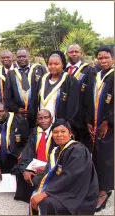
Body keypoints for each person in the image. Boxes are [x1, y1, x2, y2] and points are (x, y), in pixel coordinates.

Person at [29, 119, 98, 215]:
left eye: (63, 131)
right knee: (36, 182)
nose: (59, 135)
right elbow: (53, 172)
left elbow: (69, 176)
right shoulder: (56, 151)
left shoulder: (78, 150)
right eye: (55, 132)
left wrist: (45, 193)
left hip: (78, 193)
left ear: (70, 134)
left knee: (45, 201)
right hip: (65, 187)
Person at [85, 45, 114, 212]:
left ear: (112, 59)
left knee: (105, 158)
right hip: (94, 125)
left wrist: (108, 122)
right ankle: (95, 187)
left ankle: (103, 191)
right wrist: (89, 121)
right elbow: (89, 100)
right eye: (100, 58)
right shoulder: (95, 75)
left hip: (108, 127)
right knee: (94, 156)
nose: (103, 61)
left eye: (106, 58)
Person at [14, 109, 56, 203]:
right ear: (37, 121)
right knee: (20, 170)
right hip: (36, 164)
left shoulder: (57, 132)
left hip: (51, 165)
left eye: (46, 118)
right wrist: (25, 170)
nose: (43, 121)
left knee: (37, 180)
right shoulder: (35, 132)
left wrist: (47, 167)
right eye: (40, 118)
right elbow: (27, 152)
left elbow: (59, 155)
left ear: (51, 119)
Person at [5, 48, 47, 128]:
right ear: (15, 58)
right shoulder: (11, 74)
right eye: (19, 57)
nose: (21, 59)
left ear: (29, 57)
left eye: (24, 56)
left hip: (38, 112)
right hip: (20, 114)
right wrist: (16, 109)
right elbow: (7, 96)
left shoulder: (40, 69)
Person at [36, 51, 79, 124]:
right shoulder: (42, 79)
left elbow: (73, 106)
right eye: (50, 64)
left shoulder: (70, 80)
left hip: (60, 125)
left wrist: (65, 124)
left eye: (56, 64)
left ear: (62, 64)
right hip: (42, 124)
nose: (53, 66)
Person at [65, 44, 93, 151]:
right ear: (67, 54)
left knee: (82, 146)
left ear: (81, 53)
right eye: (71, 52)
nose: (74, 54)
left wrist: (88, 119)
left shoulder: (88, 70)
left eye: (76, 51)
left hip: (81, 116)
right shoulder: (62, 69)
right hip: (66, 115)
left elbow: (90, 95)